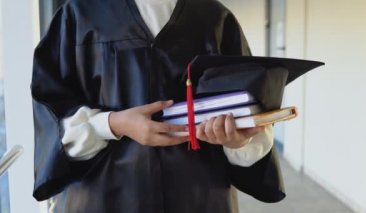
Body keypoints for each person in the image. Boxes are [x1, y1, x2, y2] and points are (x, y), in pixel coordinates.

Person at [31, 0, 282, 212]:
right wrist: (114, 124)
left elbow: (248, 106)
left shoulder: (214, 18)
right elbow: (52, 114)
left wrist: (238, 140)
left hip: (199, 196)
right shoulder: (80, 14)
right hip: (104, 197)